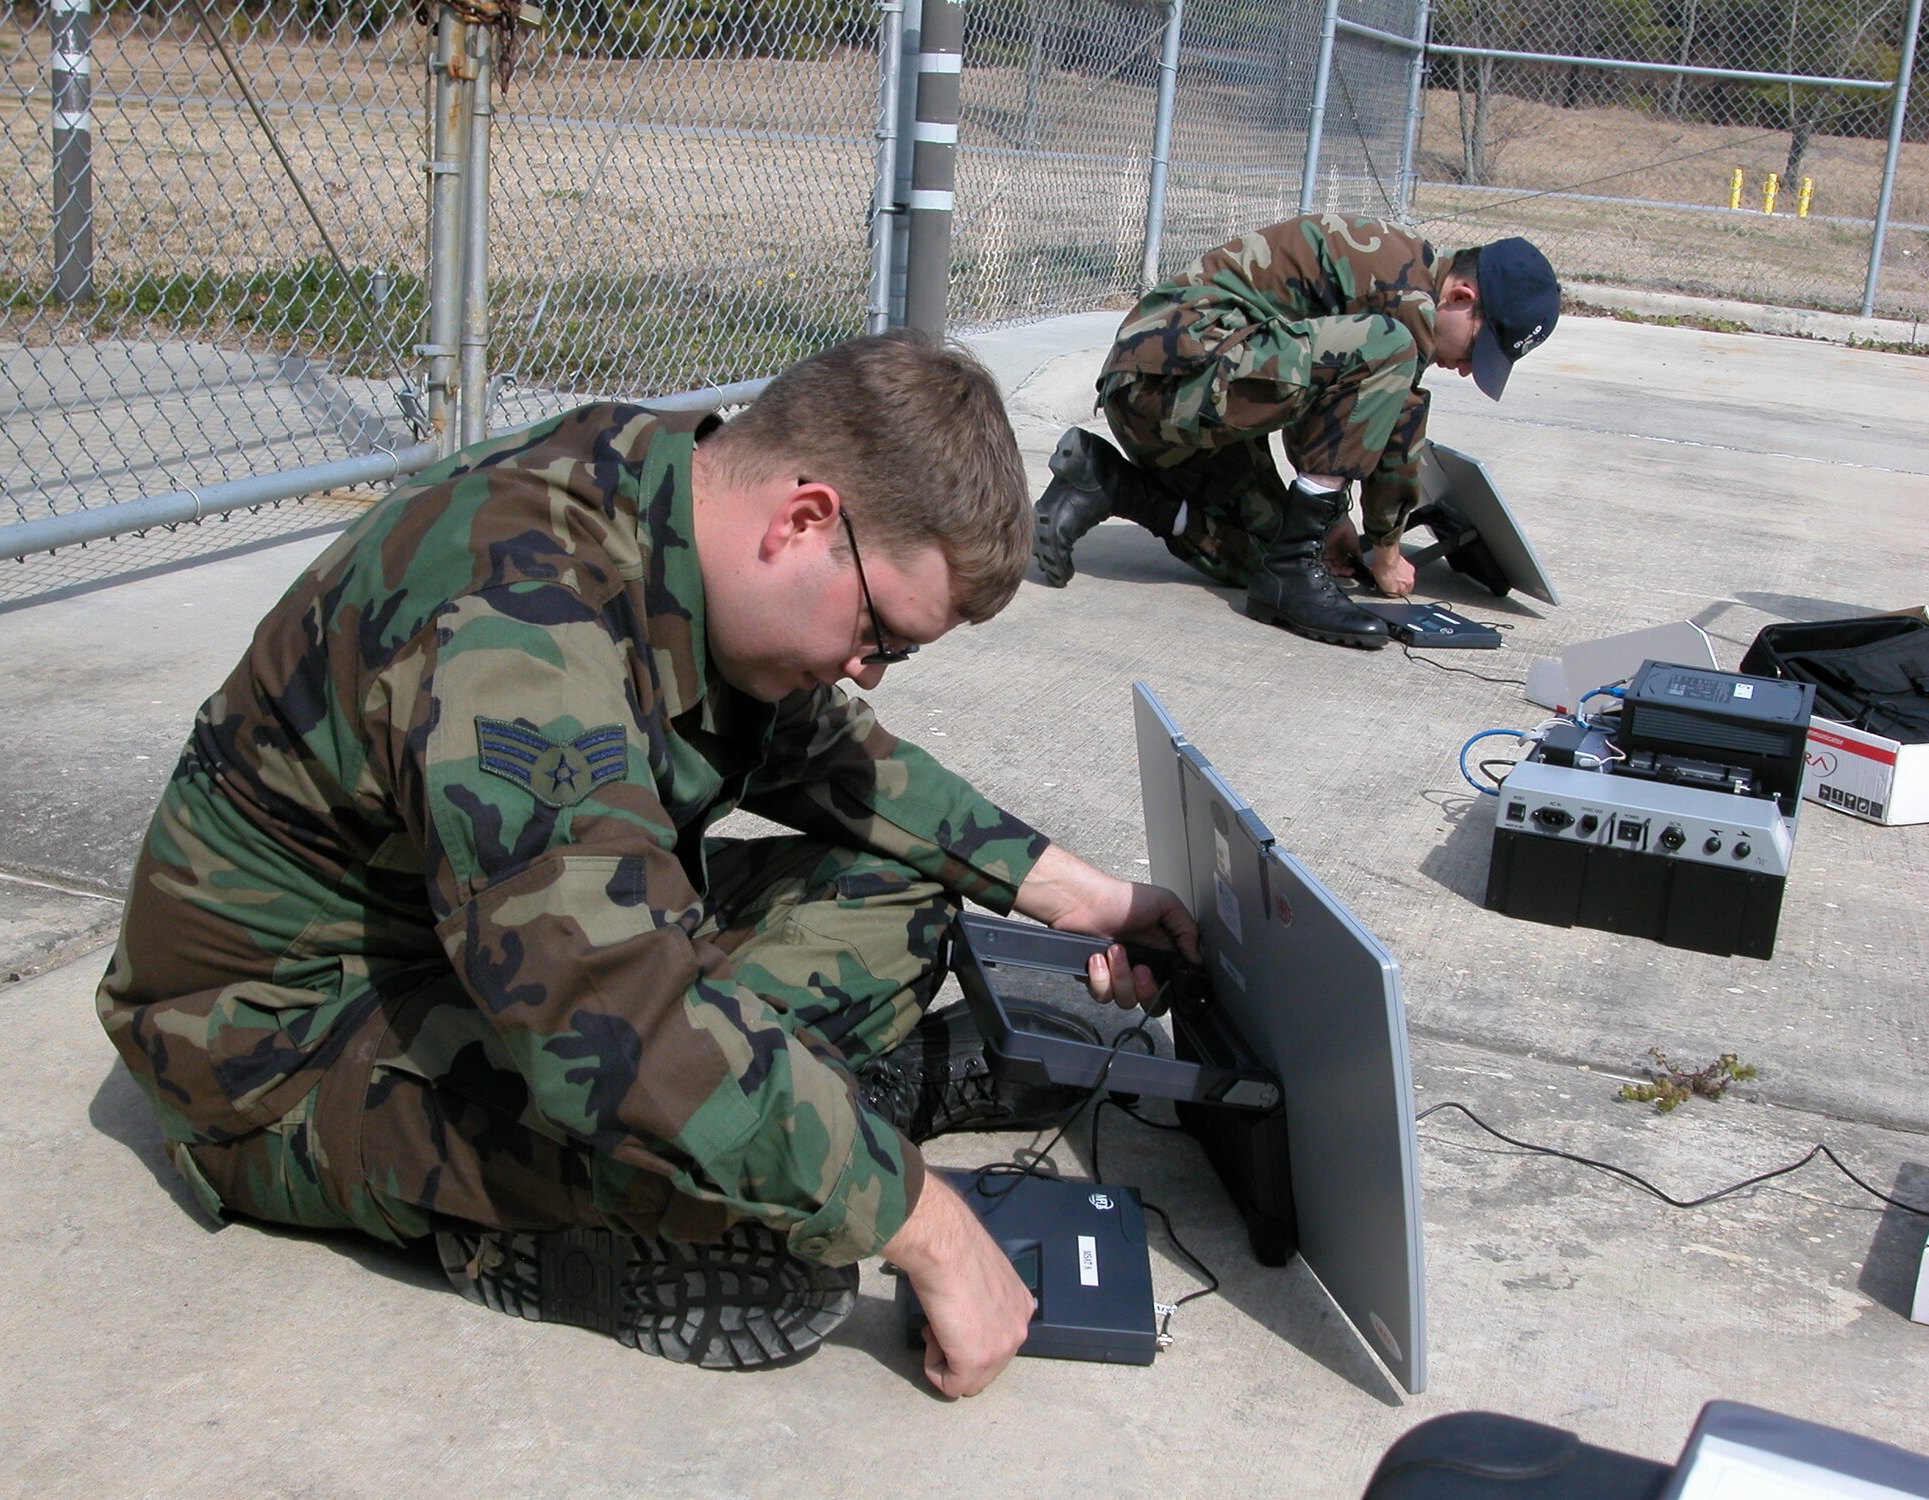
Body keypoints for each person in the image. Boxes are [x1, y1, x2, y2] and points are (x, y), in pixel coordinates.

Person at [95, 328, 1198, 1400]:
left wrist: (1076, 894)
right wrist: (924, 1225)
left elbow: (839, 763)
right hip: (283, 1043)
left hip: (469, 939)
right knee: (692, 1126)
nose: (874, 670)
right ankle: (551, 1235)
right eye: (882, 638)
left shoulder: (674, 489)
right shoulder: (519, 626)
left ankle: (809, 1125)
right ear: (804, 520)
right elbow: (607, 1014)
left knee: (903, 897)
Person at [1031, 213, 1560, 649]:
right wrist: (1386, 549)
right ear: (1461, 298)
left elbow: (1317, 406)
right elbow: (1396, 437)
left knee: (1264, 560)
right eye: (1475, 350)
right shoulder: (1405, 293)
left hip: (1179, 395)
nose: (1467, 369)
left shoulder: (1405, 283)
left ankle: (1104, 482)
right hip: (1174, 381)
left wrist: (1326, 526)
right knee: (1389, 349)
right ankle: (1294, 566)